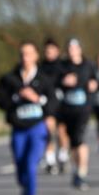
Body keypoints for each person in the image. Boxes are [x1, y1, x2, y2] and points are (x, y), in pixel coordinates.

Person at [0, 41, 56, 195]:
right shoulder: (10, 78)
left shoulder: (44, 79)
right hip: (18, 128)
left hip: (37, 128)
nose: (25, 57)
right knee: (21, 167)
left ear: (36, 56)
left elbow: (53, 103)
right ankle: (26, 188)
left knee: (31, 165)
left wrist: (38, 98)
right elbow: (0, 100)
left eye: (29, 53)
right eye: (22, 54)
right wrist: (16, 97)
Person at [55, 38, 98, 189]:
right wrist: (63, 81)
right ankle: (76, 170)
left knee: (79, 138)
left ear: (80, 49)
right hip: (67, 109)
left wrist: (94, 84)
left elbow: (96, 81)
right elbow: (53, 83)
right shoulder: (62, 66)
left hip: (83, 108)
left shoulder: (88, 65)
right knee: (73, 141)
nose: (72, 51)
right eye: (69, 48)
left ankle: (81, 172)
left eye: (75, 48)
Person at [40, 38, 63, 174]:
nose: (49, 53)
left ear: (57, 51)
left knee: (62, 132)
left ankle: (63, 155)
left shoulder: (63, 65)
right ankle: (50, 161)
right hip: (49, 103)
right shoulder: (41, 66)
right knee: (49, 131)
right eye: (46, 50)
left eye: (51, 50)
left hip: (63, 104)